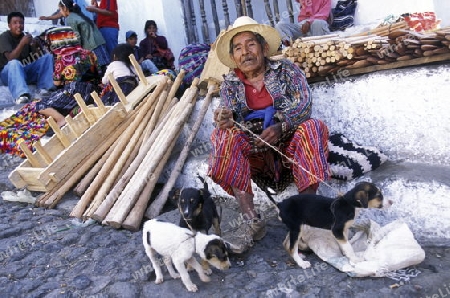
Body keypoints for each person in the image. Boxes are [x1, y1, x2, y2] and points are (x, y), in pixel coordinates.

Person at [209, 16, 330, 253]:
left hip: (288, 150)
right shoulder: (230, 84)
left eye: (251, 44)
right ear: (233, 57)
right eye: (238, 48)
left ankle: (307, 220)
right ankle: (251, 220)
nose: (245, 52)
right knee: (221, 137)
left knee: (313, 126)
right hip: (254, 155)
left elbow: (303, 105)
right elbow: (228, 115)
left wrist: (281, 126)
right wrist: (224, 119)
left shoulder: (286, 70)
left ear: (264, 48)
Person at [0, 12, 55, 104]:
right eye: (15, 23)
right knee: (14, 63)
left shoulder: (25, 36)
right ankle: (21, 95)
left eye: (21, 23)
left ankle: (44, 89)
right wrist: (22, 43)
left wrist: (36, 46)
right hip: (8, 75)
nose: (19, 25)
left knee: (47, 57)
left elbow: (37, 58)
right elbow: (10, 58)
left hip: (24, 72)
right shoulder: (4, 37)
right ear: (9, 25)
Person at [58, 0, 110, 70]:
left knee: (102, 68)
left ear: (65, 8)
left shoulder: (70, 18)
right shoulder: (78, 14)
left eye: (60, 10)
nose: (60, 12)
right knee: (107, 65)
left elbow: (76, 36)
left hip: (93, 45)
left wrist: (73, 50)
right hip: (98, 41)